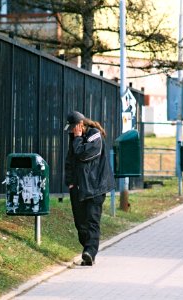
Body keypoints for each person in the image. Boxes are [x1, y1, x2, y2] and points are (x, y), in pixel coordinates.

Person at [64, 111, 115, 266]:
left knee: (92, 221)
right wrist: (70, 182)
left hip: (95, 187)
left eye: (73, 128)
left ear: (80, 125)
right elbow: (70, 161)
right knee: (80, 224)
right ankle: (88, 249)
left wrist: (78, 138)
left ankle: (90, 252)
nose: (71, 131)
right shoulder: (74, 138)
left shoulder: (95, 135)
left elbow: (84, 155)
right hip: (79, 188)